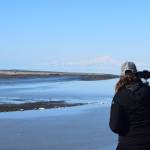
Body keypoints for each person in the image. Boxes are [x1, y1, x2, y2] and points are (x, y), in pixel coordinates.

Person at [109, 61, 150, 150]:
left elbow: (114, 126)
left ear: (122, 76)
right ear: (136, 74)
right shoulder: (148, 91)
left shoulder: (119, 96)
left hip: (127, 143)